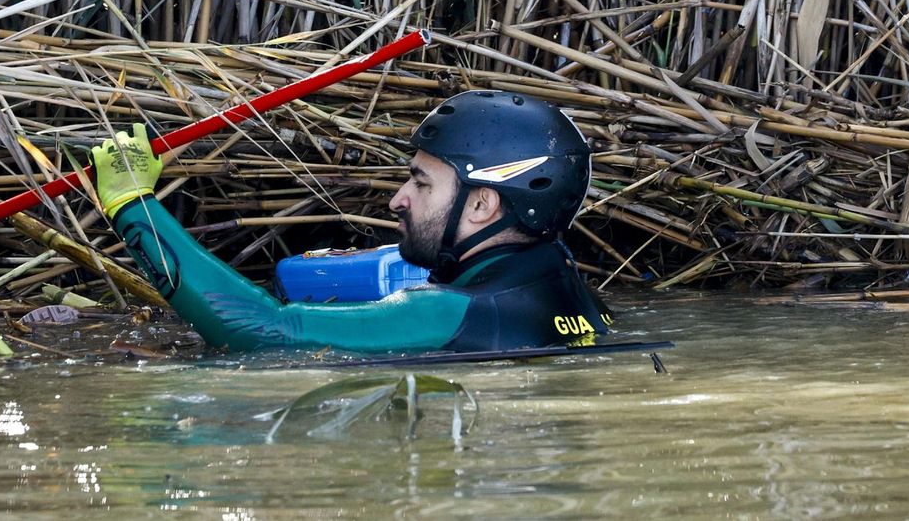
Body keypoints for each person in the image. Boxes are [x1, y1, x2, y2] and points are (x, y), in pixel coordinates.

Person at [91, 90, 613, 353]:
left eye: (422, 184)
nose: (398, 200)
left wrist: (132, 203)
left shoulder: (448, 314)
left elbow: (263, 331)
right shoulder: (564, 281)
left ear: (482, 206)